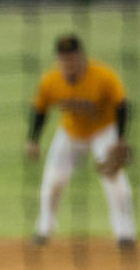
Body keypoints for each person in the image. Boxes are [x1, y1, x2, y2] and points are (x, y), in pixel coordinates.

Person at [28, 34, 134, 249]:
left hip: (102, 132)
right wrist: (33, 140)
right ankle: (44, 229)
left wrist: (120, 138)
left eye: (72, 57)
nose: (68, 62)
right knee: (53, 179)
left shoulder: (103, 76)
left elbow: (121, 105)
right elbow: (40, 110)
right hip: (70, 133)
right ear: (58, 60)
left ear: (81, 57)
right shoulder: (50, 80)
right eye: (64, 58)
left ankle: (125, 233)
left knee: (115, 181)